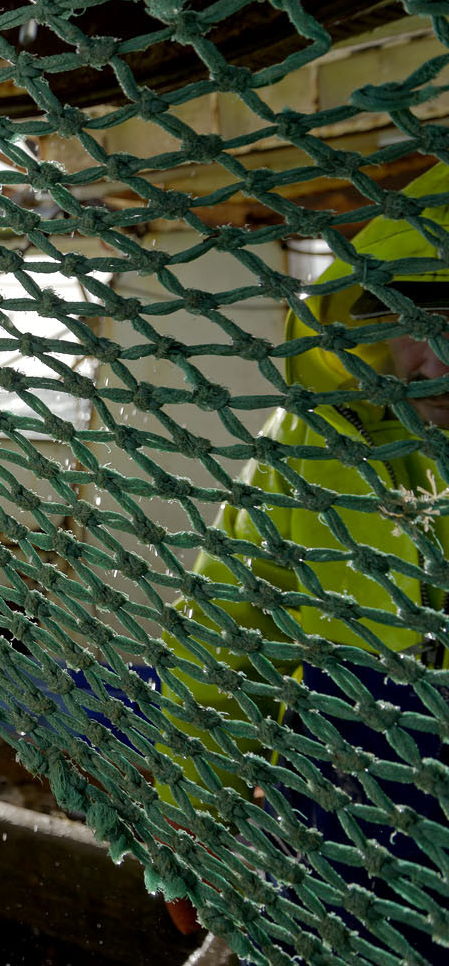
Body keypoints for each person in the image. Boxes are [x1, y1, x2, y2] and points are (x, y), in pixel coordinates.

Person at [160, 164, 449, 948]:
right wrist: (187, 828)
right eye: (418, 326)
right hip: (340, 795)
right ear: (362, 317)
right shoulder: (305, 452)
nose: (440, 368)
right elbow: (221, 638)